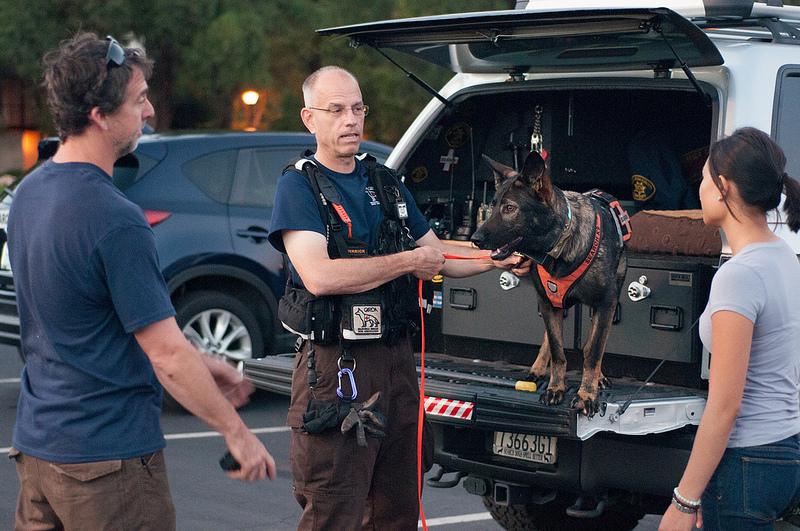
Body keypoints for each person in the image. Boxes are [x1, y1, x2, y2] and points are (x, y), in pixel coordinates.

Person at [7, 32, 276, 531]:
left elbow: (92, 327)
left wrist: (205, 363)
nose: (149, 110)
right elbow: (166, 355)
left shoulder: (29, 192)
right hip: (108, 466)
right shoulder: (115, 217)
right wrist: (237, 433)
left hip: (39, 453)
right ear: (98, 115)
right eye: (138, 99)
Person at [268, 65, 527, 530]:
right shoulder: (298, 186)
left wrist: (498, 258)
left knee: (397, 507)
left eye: (358, 108)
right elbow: (320, 276)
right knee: (334, 509)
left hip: (397, 361)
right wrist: (408, 262)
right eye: (337, 110)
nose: (351, 120)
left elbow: (437, 254)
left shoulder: (384, 182)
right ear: (310, 119)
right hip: (338, 368)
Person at [659, 127, 800, 531]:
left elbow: (725, 406)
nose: (699, 189)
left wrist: (684, 501)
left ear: (722, 187)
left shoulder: (740, 275)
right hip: (783, 453)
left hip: (746, 463)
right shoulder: (784, 258)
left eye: (703, 180)